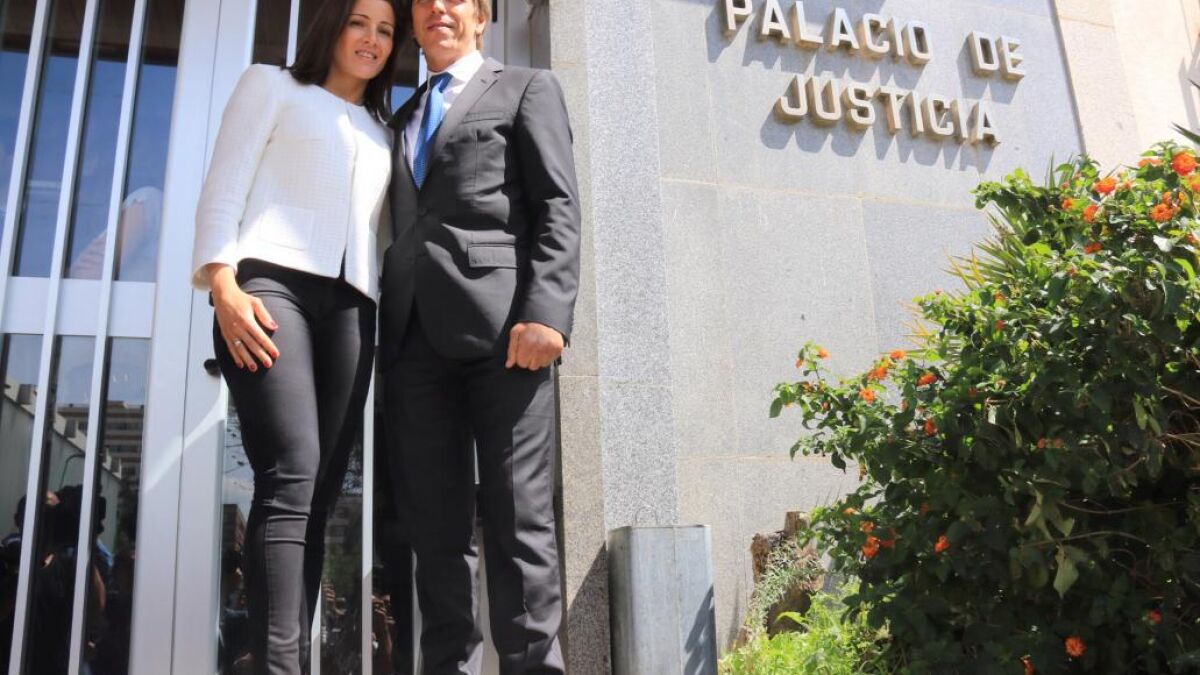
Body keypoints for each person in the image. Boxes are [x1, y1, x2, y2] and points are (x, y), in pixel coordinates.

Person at [190, 0, 399, 672]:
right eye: (360, 22)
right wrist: (223, 285)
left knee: (319, 493)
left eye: (386, 31)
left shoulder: (383, 130)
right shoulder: (271, 85)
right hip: (269, 289)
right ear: (332, 25)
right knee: (292, 472)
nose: (371, 39)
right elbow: (224, 186)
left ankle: (287, 657)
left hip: (352, 305)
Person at [379, 0, 582, 672]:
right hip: (413, 342)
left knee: (519, 520)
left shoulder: (526, 88)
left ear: (481, 17)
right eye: (423, 1)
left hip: (507, 337)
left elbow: (558, 205)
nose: (437, 7)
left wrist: (548, 312)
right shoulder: (401, 117)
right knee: (435, 532)